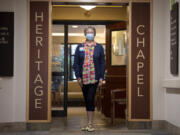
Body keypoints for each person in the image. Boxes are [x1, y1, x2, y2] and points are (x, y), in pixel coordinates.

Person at [73, 26, 105, 132]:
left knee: (91, 98)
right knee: (87, 100)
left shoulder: (99, 47)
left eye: (91, 32)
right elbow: (76, 64)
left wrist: (101, 77)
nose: (89, 34)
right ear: (85, 34)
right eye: (88, 32)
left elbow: (102, 64)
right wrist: (78, 77)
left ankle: (91, 124)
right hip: (83, 79)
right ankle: (89, 123)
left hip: (94, 78)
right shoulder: (79, 47)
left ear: (94, 34)